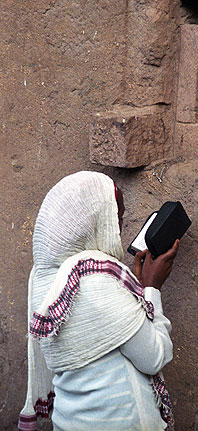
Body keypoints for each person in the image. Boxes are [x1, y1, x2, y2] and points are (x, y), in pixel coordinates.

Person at [18, 171, 179, 431]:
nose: (119, 230)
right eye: (117, 219)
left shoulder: (46, 279)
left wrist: (133, 286)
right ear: (95, 222)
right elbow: (154, 357)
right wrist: (151, 288)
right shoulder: (97, 284)